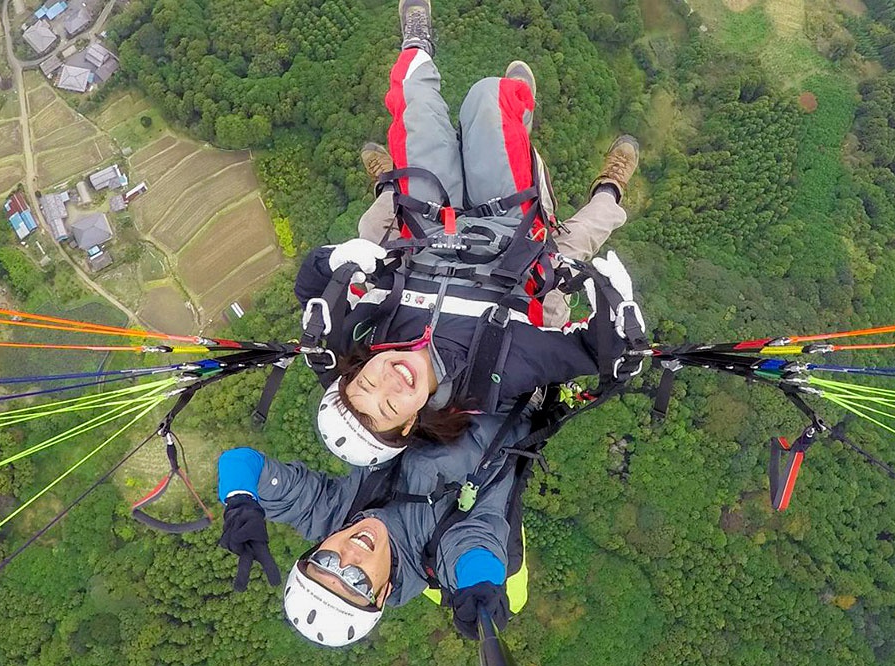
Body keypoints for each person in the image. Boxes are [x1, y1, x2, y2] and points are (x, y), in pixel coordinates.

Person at [297, 0, 646, 467]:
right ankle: (610, 185)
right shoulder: (492, 370)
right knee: (491, 97)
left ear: (356, 370)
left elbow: (311, 288)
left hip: (425, 225)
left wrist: (333, 261)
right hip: (510, 240)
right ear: (407, 425)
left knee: (394, 164)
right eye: (387, 407)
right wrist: (616, 309)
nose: (388, 382)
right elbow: (590, 353)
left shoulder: (364, 333)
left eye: (364, 383)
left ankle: (415, 48)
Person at [214, 412, 528, 647]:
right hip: (513, 395)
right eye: (356, 582)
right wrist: (479, 585)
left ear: (314, 550)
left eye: (325, 563)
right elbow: (474, 543)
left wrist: (239, 501)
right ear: (384, 593)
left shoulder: (331, 513)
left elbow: (239, 462)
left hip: (443, 370)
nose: (348, 556)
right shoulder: (439, 552)